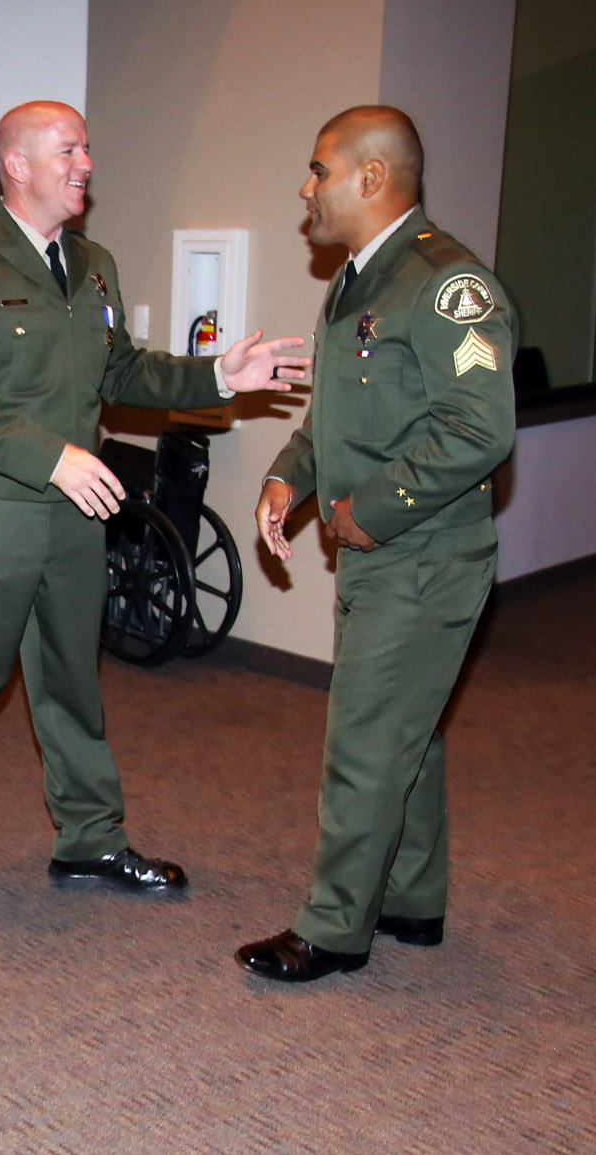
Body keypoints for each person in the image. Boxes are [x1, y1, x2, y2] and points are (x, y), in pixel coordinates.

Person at [0, 100, 309, 903]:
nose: (86, 164)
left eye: (87, 149)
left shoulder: (94, 260)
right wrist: (53, 456)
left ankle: (90, 840)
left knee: (74, 680)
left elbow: (124, 372)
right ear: (17, 165)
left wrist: (218, 377)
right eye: (69, 150)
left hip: (77, 515)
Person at [236, 106, 516, 982]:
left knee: (363, 739)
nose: (305, 188)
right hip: (384, 555)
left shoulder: (446, 285)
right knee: (407, 732)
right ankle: (410, 898)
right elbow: (339, 414)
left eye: (318, 170)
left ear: (371, 177)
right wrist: (293, 473)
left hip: (422, 555)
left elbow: (480, 428)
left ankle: (332, 929)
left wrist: (371, 509)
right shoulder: (360, 280)